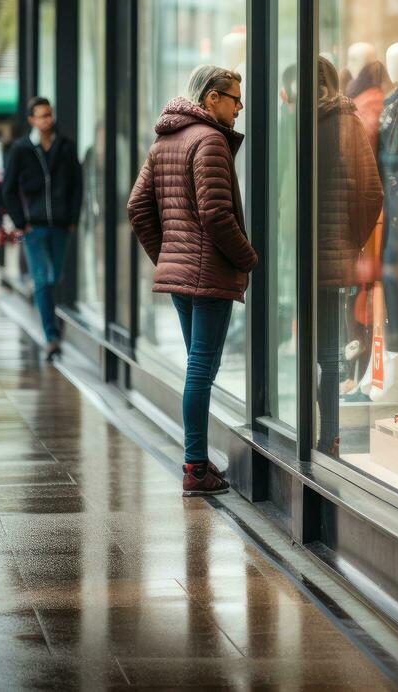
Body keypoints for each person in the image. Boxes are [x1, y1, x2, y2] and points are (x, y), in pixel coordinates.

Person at [128, 66, 257, 496]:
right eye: (235, 99)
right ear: (212, 98)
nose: (240, 108)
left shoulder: (166, 139)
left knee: (196, 369)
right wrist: (249, 259)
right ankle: (196, 467)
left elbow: (137, 207)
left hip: (182, 276)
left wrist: (168, 256)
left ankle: (196, 462)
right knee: (201, 371)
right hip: (207, 275)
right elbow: (217, 215)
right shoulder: (210, 140)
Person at [1, 96, 83, 359]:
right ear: (31, 120)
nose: (47, 119)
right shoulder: (21, 149)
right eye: (42, 115)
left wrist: (72, 218)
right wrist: (20, 222)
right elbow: (8, 188)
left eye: (50, 114)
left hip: (60, 225)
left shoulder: (66, 147)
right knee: (41, 278)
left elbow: (77, 185)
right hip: (33, 228)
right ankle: (51, 336)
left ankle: (51, 326)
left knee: (53, 277)